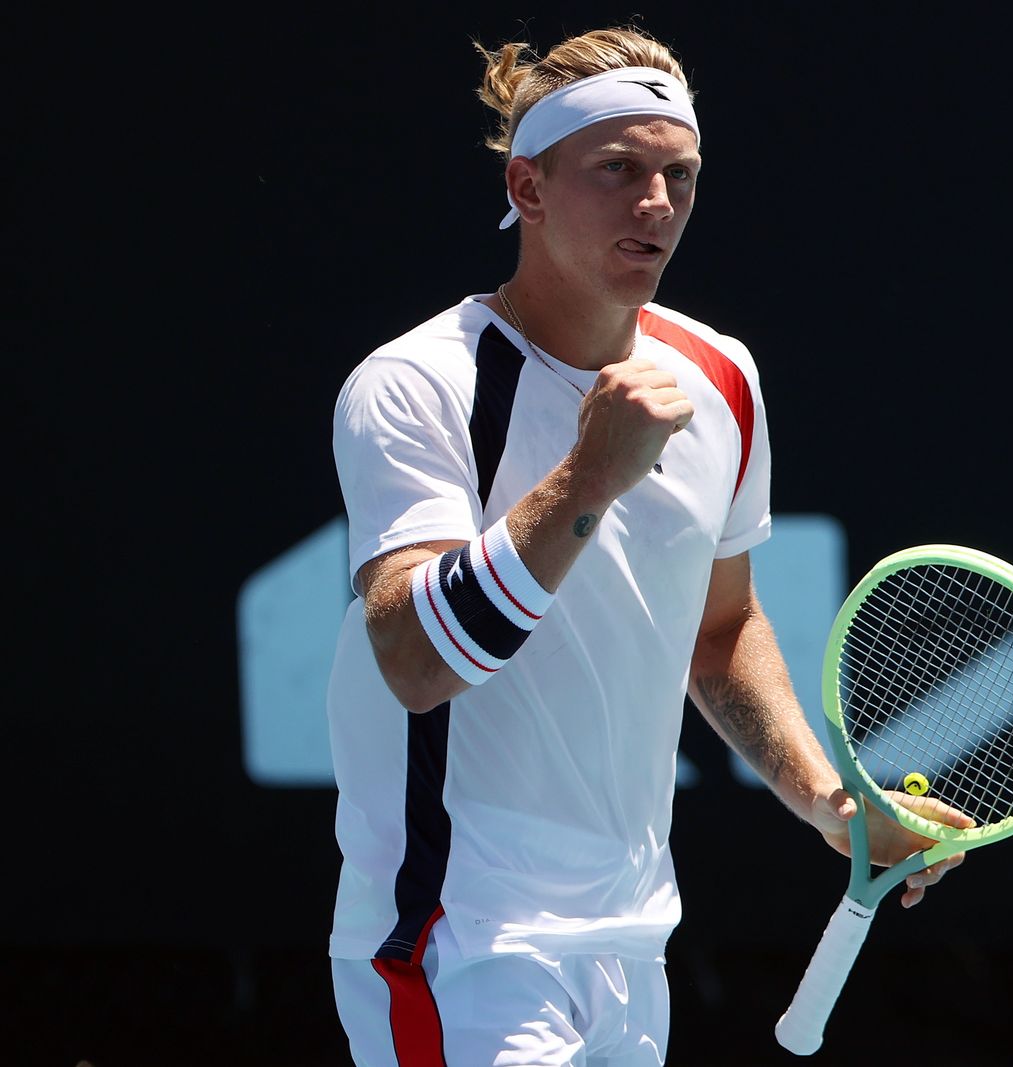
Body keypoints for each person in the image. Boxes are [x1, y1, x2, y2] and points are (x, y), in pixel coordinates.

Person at [324, 24, 971, 1066]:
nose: (657, 204)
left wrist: (828, 799)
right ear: (527, 189)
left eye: (680, 173)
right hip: (460, 937)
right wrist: (590, 475)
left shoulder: (720, 375)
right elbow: (413, 661)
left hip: (632, 940)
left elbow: (718, 628)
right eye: (617, 170)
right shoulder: (414, 384)